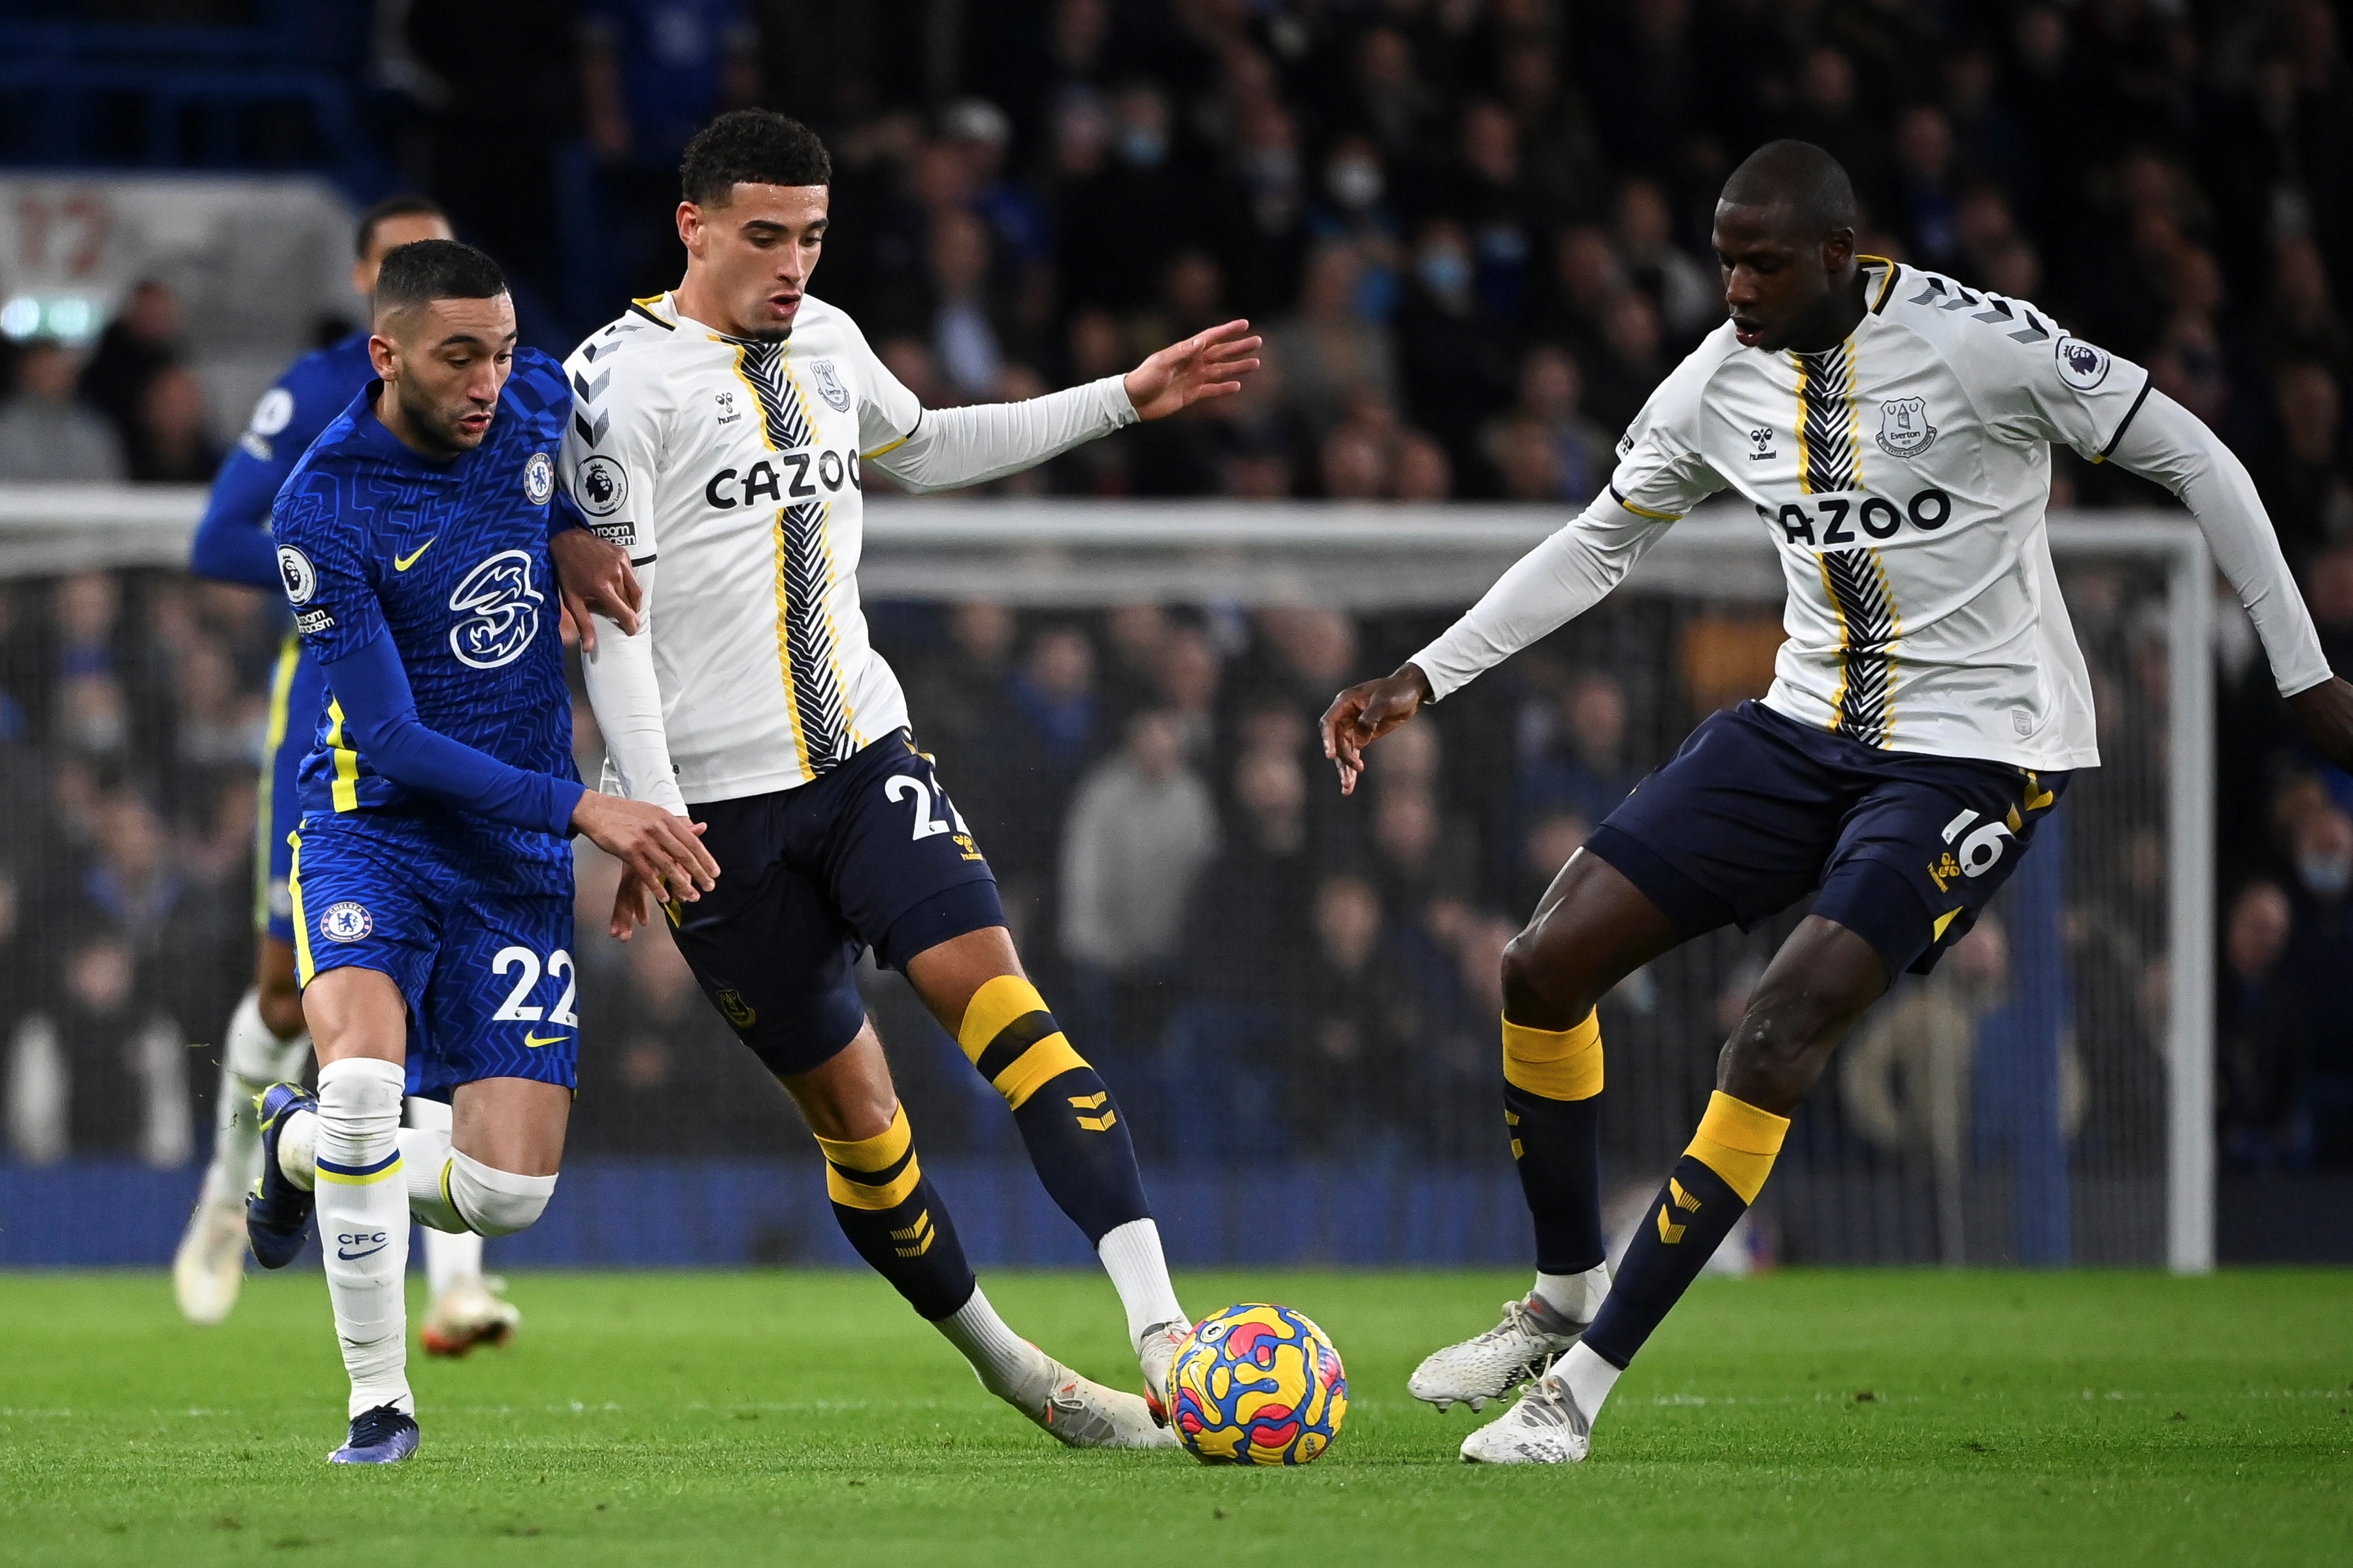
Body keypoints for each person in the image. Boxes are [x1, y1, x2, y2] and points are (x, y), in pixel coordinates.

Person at [1319, 140, 2351, 1463]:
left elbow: (2196, 455)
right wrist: (1423, 675)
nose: (1736, 285)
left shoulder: (1984, 346)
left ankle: (1577, 1391)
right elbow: (1600, 541)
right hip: (1804, 726)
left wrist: (2304, 674)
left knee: (1775, 1031)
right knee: (1540, 964)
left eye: (1762, 260)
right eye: (1723, 258)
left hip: (1976, 749)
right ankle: (1558, 1298)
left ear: (1839, 256)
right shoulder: (1713, 382)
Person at [547, 110, 1259, 1448]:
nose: (793, 264)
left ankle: (1167, 1334)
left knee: (1010, 1015)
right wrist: (651, 811)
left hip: (867, 761)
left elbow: (921, 445)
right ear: (691, 227)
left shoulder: (826, 338)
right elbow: (616, 628)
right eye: (764, 236)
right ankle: (1015, 1370)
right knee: (863, 1125)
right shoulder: (615, 386)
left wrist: (1123, 398)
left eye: (812, 236)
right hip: (721, 823)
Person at [236, 239, 716, 1463]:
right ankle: (378, 1406)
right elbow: (389, 738)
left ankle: (291, 1142)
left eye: (501, 351)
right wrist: (585, 808)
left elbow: (584, 452)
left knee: (507, 1196)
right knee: (366, 1089)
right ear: (385, 354)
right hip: (372, 832)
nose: (489, 382)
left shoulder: (535, 406)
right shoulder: (322, 501)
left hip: (509, 867)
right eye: (460, 357)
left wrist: (561, 529)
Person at [171, 197, 531, 1359]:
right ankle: (232, 1187)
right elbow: (219, 538)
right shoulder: (319, 394)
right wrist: (345, 573)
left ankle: (454, 1290)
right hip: (333, 710)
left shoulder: (501, 386)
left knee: (432, 992)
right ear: (371, 285)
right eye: (396, 264)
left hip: (467, 707)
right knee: (291, 998)